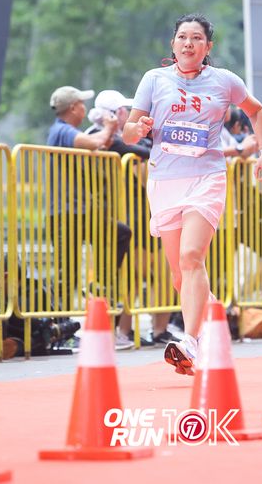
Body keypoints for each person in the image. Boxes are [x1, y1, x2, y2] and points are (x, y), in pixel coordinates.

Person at [123, 13, 262, 375]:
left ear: (208, 47)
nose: (188, 43)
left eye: (195, 38)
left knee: (192, 257)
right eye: (182, 37)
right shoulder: (154, 79)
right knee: (180, 276)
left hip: (206, 178)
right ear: (173, 44)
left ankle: (189, 342)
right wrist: (138, 128)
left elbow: (257, 111)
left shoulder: (224, 81)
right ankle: (213, 326)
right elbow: (128, 132)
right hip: (164, 181)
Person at [87, 89, 180, 347]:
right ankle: (125, 330)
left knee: (158, 274)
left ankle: (155, 330)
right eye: (125, 111)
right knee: (133, 276)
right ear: (116, 113)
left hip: (144, 213)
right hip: (128, 216)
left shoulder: (122, 139)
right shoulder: (103, 138)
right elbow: (143, 162)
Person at [47, 85, 133, 349]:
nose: (85, 108)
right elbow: (96, 143)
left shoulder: (68, 131)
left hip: (83, 212)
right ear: (74, 107)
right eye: (82, 104)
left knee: (120, 232)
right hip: (67, 213)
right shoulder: (62, 130)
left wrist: (108, 133)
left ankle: (100, 285)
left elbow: (100, 144)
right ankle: (58, 331)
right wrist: (108, 127)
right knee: (67, 273)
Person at [221, 107, 262, 291]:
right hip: (216, 213)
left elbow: (241, 152)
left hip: (233, 214)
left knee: (216, 268)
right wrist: (240, 149)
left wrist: (253, 148)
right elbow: (207, 153)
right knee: (206, 266)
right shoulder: (211, 129)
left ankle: (246, 295)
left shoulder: (224, 133)